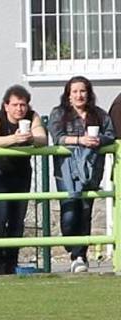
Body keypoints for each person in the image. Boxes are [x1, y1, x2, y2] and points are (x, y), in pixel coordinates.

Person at [48, 76, 115, 273]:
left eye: (83, 91)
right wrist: (80, 140)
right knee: (69, 213)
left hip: (91, 170)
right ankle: (71, 244)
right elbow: (57, 137)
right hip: (66, 171)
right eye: (75, 91)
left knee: (85, 213)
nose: (79, 95)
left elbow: (110, 135)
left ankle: (79, 256)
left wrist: (97, 140)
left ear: (89, 93)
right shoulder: (58, 113)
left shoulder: (100, 115)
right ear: (68, 95)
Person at [0, 85, 48, 275]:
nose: (19, 109)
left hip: (21, 175)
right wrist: (15, 138)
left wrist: (30, 138)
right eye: (15, 104)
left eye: (23, 105)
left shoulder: (33, 116)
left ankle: (11, 261)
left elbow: (43, 139)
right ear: (6, 105)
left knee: (17, 220)